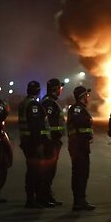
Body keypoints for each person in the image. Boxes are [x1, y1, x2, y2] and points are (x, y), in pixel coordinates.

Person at [19, 81, 54, 208]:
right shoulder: (33, 104)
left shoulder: (24, 103)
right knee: (36, 172)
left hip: (26, 141)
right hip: (33, 143)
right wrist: (39, 143)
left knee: (32, 171)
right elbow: (34, 126)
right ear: (38, 91)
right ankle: (33, 200)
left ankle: (33, 199)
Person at [67, 86, 96, 211]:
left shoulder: (81, 109)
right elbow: (78, 123)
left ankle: (80, 200)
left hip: (81, 146)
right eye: (86, 95)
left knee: (83, 174)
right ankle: (79, 201)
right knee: (80, 174)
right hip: (78, 146)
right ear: (82, 96)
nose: (88, 97)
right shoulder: (77, 109)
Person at [41, 78, 66, 206]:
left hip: (53, 141)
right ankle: (44, 197)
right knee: (48, 170)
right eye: (59, 88)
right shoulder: (49, 103)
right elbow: (48, 124)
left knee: (50, 170)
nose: (61, 90)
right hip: (50, 142)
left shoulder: (50, 102)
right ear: (55, 89)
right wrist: (52, 138)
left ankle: (47, 195)